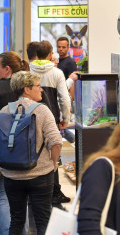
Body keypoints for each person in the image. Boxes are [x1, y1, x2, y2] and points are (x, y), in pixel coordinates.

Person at [0, 52, 45, 235]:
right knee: (25, 200)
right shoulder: (29, 88)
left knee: (3, 197)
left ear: (7, 69)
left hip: (3, 150)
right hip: (30, 153)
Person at [0, 71, 63, 235]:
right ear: (27, 89)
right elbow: (55, 141)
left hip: (12, 177)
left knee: (17, 220)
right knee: (43, 221)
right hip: (41, 174)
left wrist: (4, 159)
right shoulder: (42, 111)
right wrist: (53, 163)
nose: (41, 90)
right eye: (38, 86)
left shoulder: (5, 111)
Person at [29, 41, 72, 207]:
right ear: (49, 55)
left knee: (33, 150)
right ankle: (54, 191)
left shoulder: (28, 70)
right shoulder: (57, 73)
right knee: (54, 153)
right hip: (51, 118)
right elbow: (64, 98)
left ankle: (33, 189)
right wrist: (66, 119)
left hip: (31, 116)